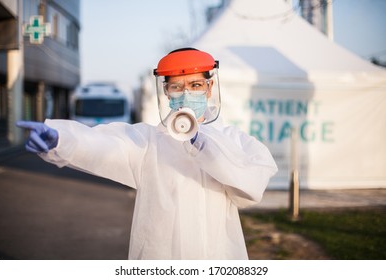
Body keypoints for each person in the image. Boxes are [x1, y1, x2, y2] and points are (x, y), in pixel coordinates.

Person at [16, 48, 278, 260]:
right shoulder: (149, 141)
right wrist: (61, 138)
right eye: (177, 87)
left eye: (196, 84)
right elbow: (103, 144)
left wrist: (202, 145)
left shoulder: (234, 139)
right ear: (166, 92)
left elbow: (252, 186)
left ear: (209, 89)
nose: (186, 93)